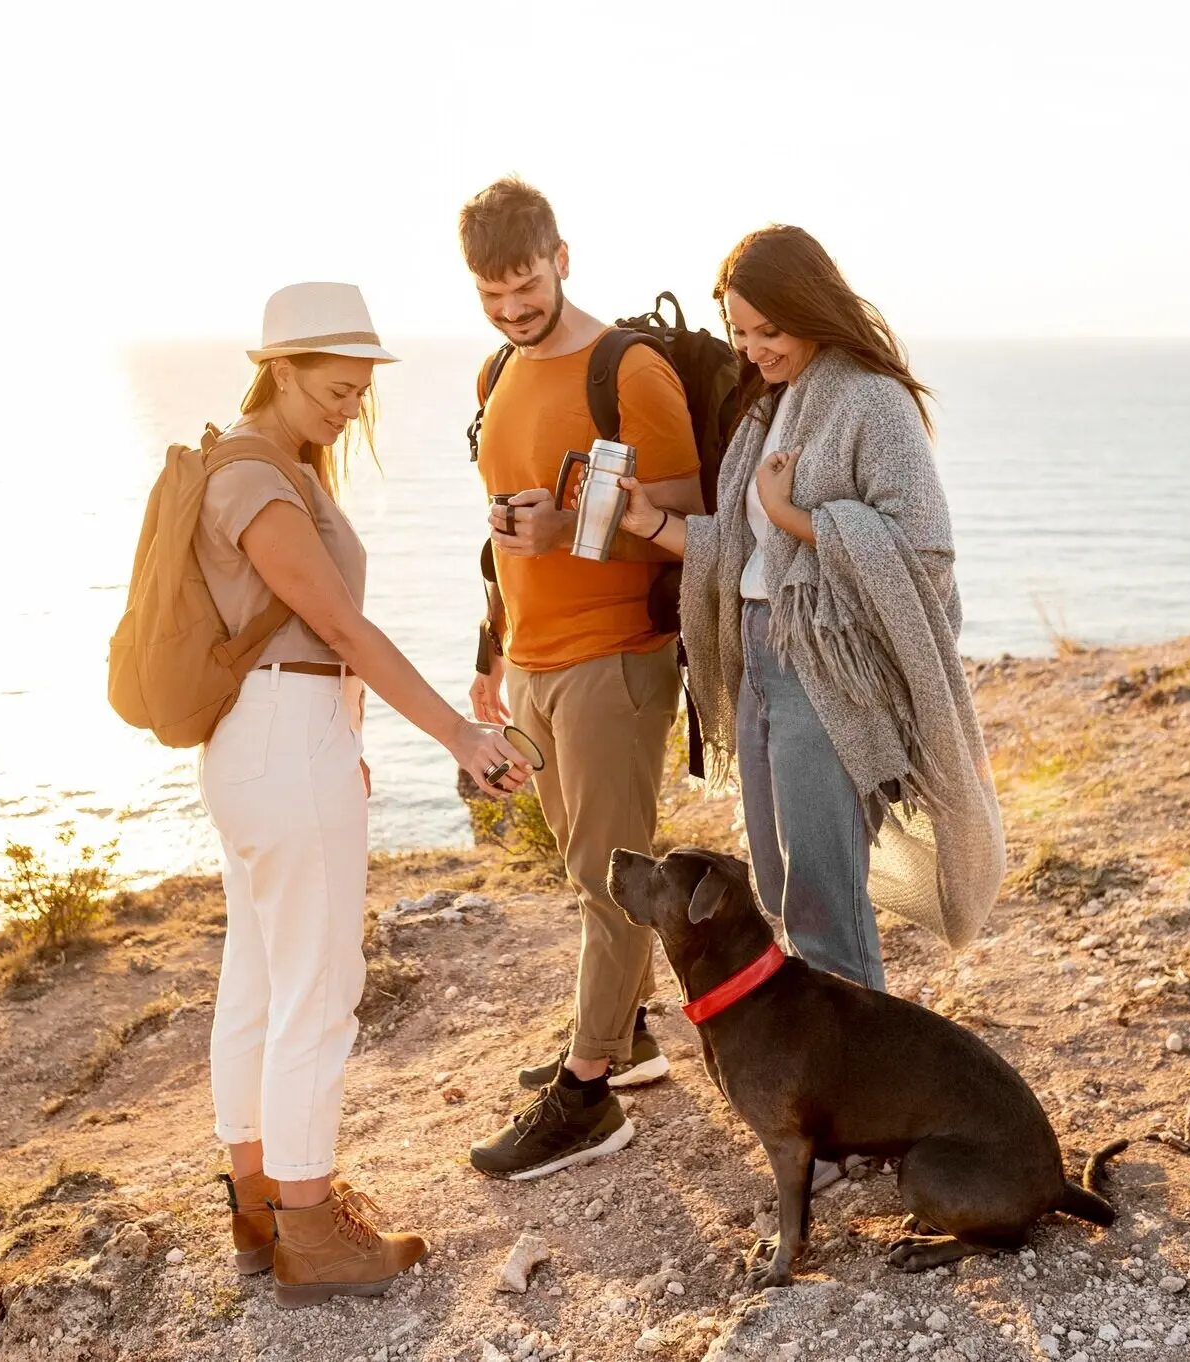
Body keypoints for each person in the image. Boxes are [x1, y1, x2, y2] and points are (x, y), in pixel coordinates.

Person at [615, 226, 1006, 1184]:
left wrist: (797, 517)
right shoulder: (768, 408)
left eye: (768, 331)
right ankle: (826, 1105)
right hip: (758, 658)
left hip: (823, 667)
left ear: (811, 308)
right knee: (782, 890)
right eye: (740, 333)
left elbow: (923, 545)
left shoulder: (871, 401)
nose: (752, 350)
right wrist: (648, 520)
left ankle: (859, 1122)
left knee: (826, 898)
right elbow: (738, 551)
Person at [199, 282, 530, 1306]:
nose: (351, 408)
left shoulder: (266, 464)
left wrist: (338, 736)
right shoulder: (256, 477)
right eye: (335, 389)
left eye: (360, 390)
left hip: (269, 741)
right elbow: (340, 625)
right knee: (318, 988)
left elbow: (306, 639)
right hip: (283, 743)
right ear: (279, 371)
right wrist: (460, 735)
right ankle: (311, 1232)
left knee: (260, 979)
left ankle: (261, 1205)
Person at [458, 178, 703, 1180]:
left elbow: (688, 521)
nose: (513, 310)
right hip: (533, 662)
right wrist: (492, 649)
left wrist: (569, 529)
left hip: (615, 658)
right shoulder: (495, 372)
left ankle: (589, 1095)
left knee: (612, 883)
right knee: (583, 868)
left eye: (526, 286)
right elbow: (499, 536)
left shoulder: (627, 369)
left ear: (562, 258)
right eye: (492, 296)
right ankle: (628, 1036)